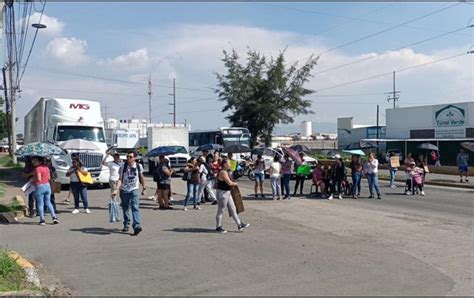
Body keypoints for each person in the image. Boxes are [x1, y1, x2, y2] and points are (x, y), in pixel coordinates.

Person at [112, 151, 146, 235]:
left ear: (134, 158)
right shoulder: (122, 166)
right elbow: (120, 179)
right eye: (127, 157)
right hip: (124, 190)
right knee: (125, 207)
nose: (128, 158)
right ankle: (126, 224)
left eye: (130, 157)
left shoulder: (138, 166)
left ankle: (136, 226)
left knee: (135, 207)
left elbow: (141, 177)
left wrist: (144, 187)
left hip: (134, 189)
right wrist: (116, 190)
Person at [215, 159, 250, 234]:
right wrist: (236, 184)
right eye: (229, 163)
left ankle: (239, 224)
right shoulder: (223, 172)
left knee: (233, 208)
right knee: (221, 210)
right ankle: (218, 226)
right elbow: (229, 183)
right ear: (224, 164)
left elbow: (232, 178)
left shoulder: (227, 171)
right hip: (222, 193)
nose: (230, 164)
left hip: (227, 193)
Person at [31, 156, 58, 225]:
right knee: (48, 202)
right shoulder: (47, 168)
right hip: (47, 186)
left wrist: (33, 180)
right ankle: (54, 217)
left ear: (40, 161)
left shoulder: (37, 169)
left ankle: (42, 220)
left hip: (40, 186)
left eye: (35, 161)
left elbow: (39, 179)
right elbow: (49, 177)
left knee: (40, 204)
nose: (33, 162)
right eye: (33, 161)